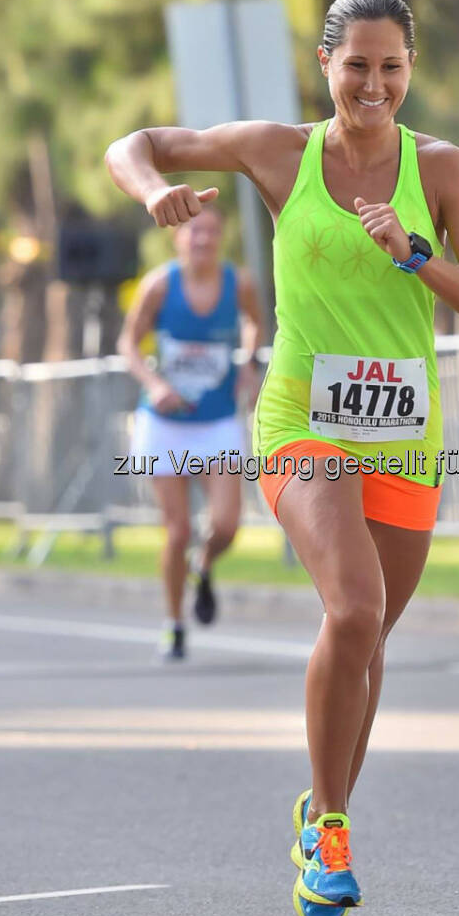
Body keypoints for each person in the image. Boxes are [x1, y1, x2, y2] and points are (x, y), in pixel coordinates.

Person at [106, 0, 459, 916]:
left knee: (367, 639)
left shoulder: (444, 169)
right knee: (355, 603)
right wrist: (153, 193)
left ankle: (320, 808)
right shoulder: (278, 152)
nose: (372, 83)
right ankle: (331, 831)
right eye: (356, 65)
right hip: (303, 419)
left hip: (405, 432)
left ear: (409, 72)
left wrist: (417, 254)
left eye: (391, 67)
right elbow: (134, 144)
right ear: (325, 65)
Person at [117, 206, 262, 660]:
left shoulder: (237, 283)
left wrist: (249, 362)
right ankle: (174, 623)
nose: (203, 239)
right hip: (166, 424)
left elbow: (257, 322)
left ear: (221, 238)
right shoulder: (159, 285)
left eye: (212, 231)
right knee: (177, 531)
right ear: (179, 238)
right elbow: (128, 343)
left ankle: (204, 564)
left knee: (227, 525)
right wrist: (155, 384)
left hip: (216, 419)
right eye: (195, 231)